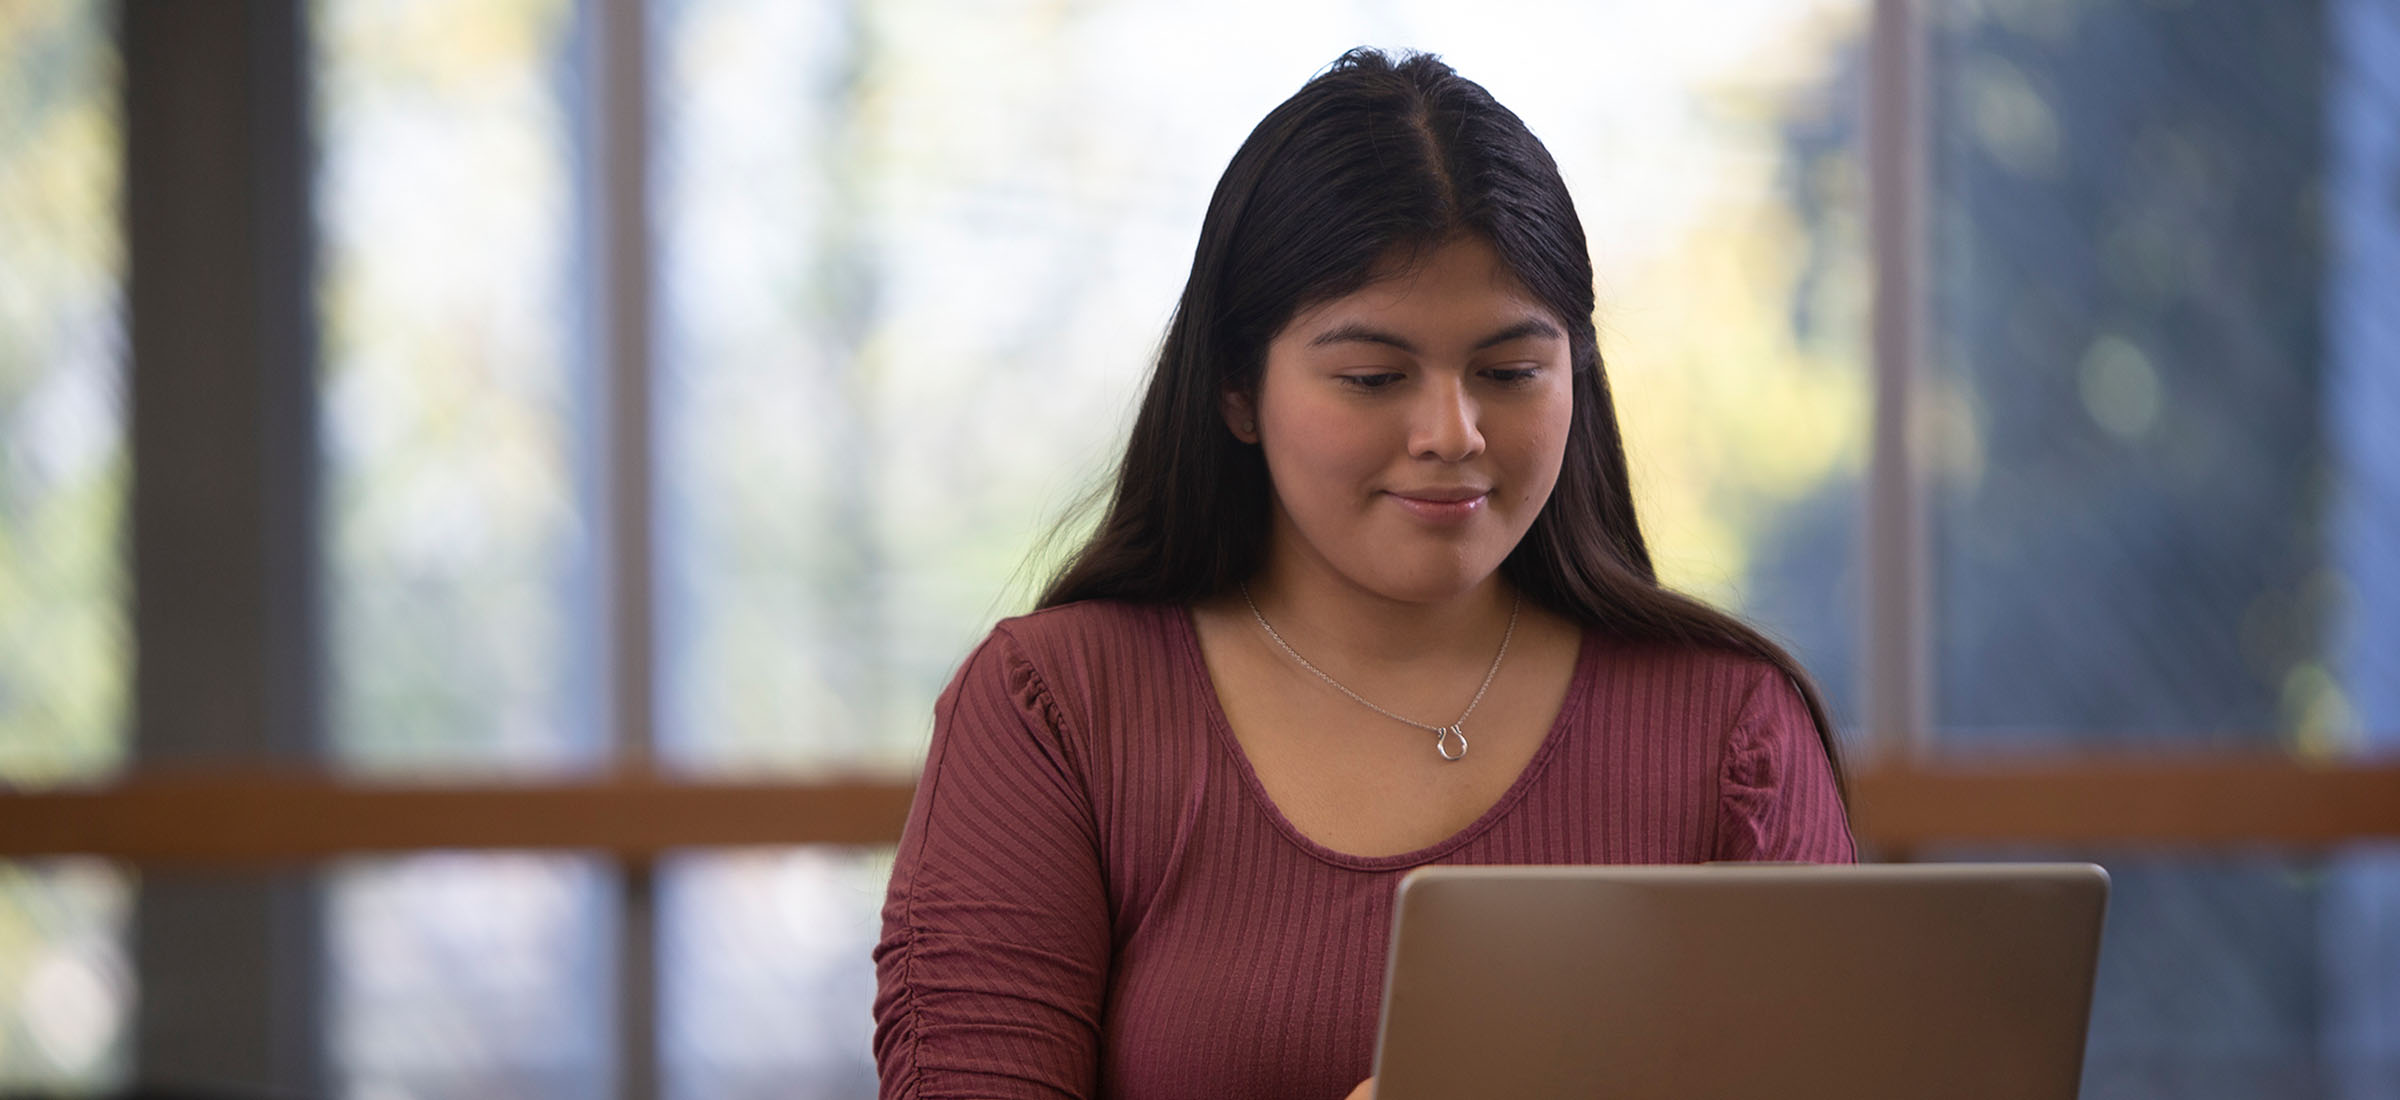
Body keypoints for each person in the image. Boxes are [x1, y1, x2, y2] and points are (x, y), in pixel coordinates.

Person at [871, 47, 1854, 1100]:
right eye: (1374, 376)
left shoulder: (1729, 732)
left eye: (1511, 371)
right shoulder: (1055, 710)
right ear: (1238, 391)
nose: (1452, 431)